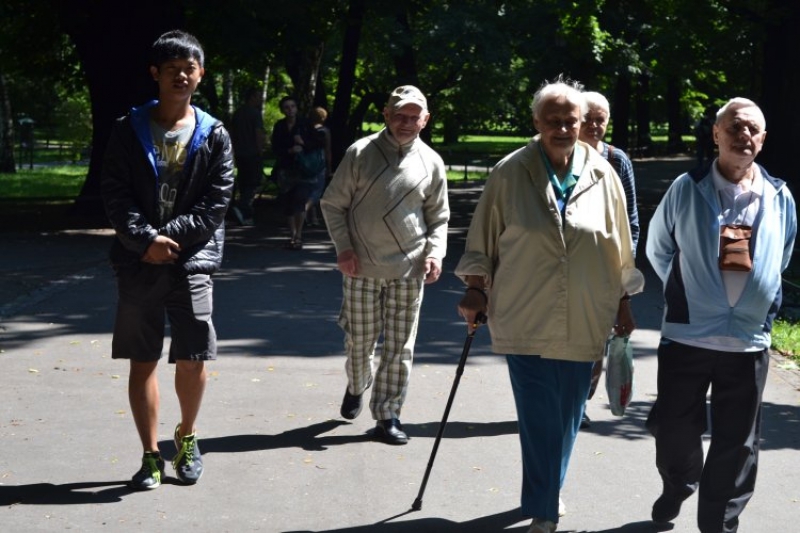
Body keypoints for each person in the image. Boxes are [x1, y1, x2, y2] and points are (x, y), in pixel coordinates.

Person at [455, 77, 643, 533]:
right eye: (553, 120)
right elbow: (482, 240)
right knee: (539, 411)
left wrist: (623, 303)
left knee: (566, 414)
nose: (562, 128)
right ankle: (544, 506)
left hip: (586, 311)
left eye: (571, 121)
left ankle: (541, 491)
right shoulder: (510, 171)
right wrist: (476, 288)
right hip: (525, 309)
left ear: (584, 124)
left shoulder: (604, 173)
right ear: (536, 122)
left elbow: (620, 245)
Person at [645, 97, 796, 532]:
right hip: (688, 335)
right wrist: (690, 293)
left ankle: (718, 524)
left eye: (752, 129)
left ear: (762, 140)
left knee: (736, 444)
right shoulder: (686, 188)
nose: (742, 135)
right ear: (716, 134)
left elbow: (780, 258)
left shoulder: (779, 196)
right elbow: (659, 248)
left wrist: (757, 301)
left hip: (748, 340)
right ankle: (678, 482)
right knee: (674, 430)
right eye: (734, 127)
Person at [100, 30, 235, 491]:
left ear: (200, 73)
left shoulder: (214, 133)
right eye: (172, 67)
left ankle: (187, 437)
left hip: (192, 261)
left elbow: (216, 204)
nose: (182, 74)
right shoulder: (127, 129)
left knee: (194, 357)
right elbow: (115, 195)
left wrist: (167, 239)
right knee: (143, 359)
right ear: (155, 74)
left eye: (190, 67)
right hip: (138, 262)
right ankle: (150, 454)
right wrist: (144, 241)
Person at [320, 85, 449, 445]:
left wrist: (435, 253)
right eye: (400, 116)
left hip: (409, 272)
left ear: (425, 119)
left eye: (414, 117)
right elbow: (332, 204)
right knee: (359, 342)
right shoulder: (360, 153)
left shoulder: (432, 162)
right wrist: (344, 249)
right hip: (360, 268)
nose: (407, 123)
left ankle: (388, 413)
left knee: (399, 346)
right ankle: (357, 383)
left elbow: (438, 217)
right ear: (386, 114)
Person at [578, 90, 640, 429]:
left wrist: (624, 276)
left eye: (601, 119)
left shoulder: (618, 160)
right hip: (567, 268)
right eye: (588, 118)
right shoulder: (558, 156)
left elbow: (631, 221)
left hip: (604, 272)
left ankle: (580, 402)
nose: (594, 125)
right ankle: (565, 400)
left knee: (596, 343)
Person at [270, 95, 315, 248]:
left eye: (293, 106)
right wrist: (289, 150)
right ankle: (292, 233)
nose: (290, 110)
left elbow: (316, 143)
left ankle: (299, 235)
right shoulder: (279, 126)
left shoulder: (305, 124)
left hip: (303, 169)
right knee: (288, 202)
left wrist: (303, 144)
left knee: (300, 200)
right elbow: (275, 147)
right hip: (285, 169)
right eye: (287, 107)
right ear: (283, 110)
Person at [229, 87, 265, 226]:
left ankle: (239, 212)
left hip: (240, 153)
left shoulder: (238, 113)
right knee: (252, 183)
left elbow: (231, 132)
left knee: (243, 182)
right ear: (251, 97)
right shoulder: (255, 114)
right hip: (252, 153)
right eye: (258, 96)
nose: (260, 99)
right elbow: (258, 133)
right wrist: (260, 150)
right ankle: (243, 210)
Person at [304, 106, 332, 226]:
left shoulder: (306, 130)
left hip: (306, 163)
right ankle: (303, 210)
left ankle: (313, 218)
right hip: (319, 163)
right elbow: (327, 150)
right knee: (317, 191)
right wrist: (329, 167)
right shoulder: (324, 131)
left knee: (309, 189)